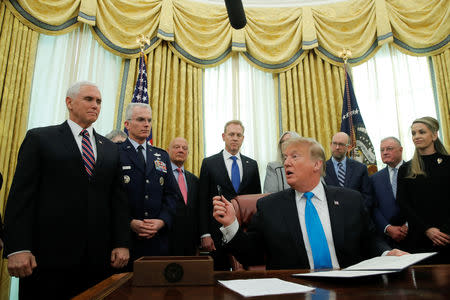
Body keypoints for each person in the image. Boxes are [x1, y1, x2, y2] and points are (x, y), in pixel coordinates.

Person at [3, 81, 130, 299]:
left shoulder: (110, 149)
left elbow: (118, 201)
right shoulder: (40, 139)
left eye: (99, 101)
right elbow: (21, 197)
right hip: (48, 258)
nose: (95, 105)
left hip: (97, 259)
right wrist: (17, 248)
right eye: (88, 99)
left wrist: (122, 243)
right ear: (69, 103)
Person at [212, 137, 406, 270]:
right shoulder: (270, 206)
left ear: (317, 164)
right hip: (295, 289)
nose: (286, 163)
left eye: (294, 156)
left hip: (348, 288)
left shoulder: (350, 200)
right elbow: (250, 256)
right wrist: (231, 224)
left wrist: (386, 253)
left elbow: (369, 240)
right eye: (285, 157)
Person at [119, 103, 177, 265]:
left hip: (157, 241)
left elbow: (171, 195)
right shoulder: (115, 152)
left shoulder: (161, 155)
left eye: (149, 120)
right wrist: (129, 222)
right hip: (126, 240)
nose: (146, 124)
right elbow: (110, 198)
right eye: (140, 119)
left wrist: (162, 221)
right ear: (127, 124)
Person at [199, 120, 261, 270]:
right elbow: (202, 201)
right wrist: (204, 234)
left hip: (244, 234)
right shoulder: (209, 163)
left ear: (243, 138)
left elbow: (256, 201)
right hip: (216, 232)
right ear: (223, 136)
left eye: (238, 135)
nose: (235, 138)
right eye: (231, 134)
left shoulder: (252, 165)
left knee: (246, 280)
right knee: (219, 278)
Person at [397, 116, 450, 263]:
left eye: (422, 132)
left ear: (434, 135)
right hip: (420, 238)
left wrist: (444, 232)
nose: (417, 136)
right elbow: (403, 203)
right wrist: (427, 230)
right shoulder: (405, 168)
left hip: (447, 237)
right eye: (413, 133)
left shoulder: (448, 163)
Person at [371, 137, 407, 247]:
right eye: (382, 150)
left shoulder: (414, 171)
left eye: (389, 149)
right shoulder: (374, 178)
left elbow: (421, 203)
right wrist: (387, 228)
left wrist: (408, 226)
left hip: (415, 236)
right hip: (387, 240)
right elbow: (373, 207)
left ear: (400, 150)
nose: (385, 153)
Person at [167, 137, 200, 255]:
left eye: (184, 148)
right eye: (177, 147)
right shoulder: (161, 176)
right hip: (166, 239)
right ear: (168, 150)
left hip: (190, 241)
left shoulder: (194, 180)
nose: (181, 150)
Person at [324, 132, 373, 211]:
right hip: (331, 219)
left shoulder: (360, 169)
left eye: (341, 144)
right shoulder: (321, 169)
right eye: (334, 143)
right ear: (330, 145)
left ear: (349, 147)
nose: (337, 147)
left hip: (356, 217)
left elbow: (367, 198)